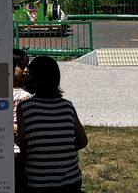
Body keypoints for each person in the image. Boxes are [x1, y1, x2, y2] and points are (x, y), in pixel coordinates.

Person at [17, 56, 87, 193]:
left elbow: (24, 147)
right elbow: (83, 141)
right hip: (71, 180)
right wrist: (63, 150)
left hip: (38, 182)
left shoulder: (24, 108)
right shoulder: (67, 106)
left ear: (34, 79)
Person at [12, 49, 32, 193]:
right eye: (21, 66)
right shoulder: (2, 91)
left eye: (27, 66)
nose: (26, 70)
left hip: (25, 147)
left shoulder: (28, 92)